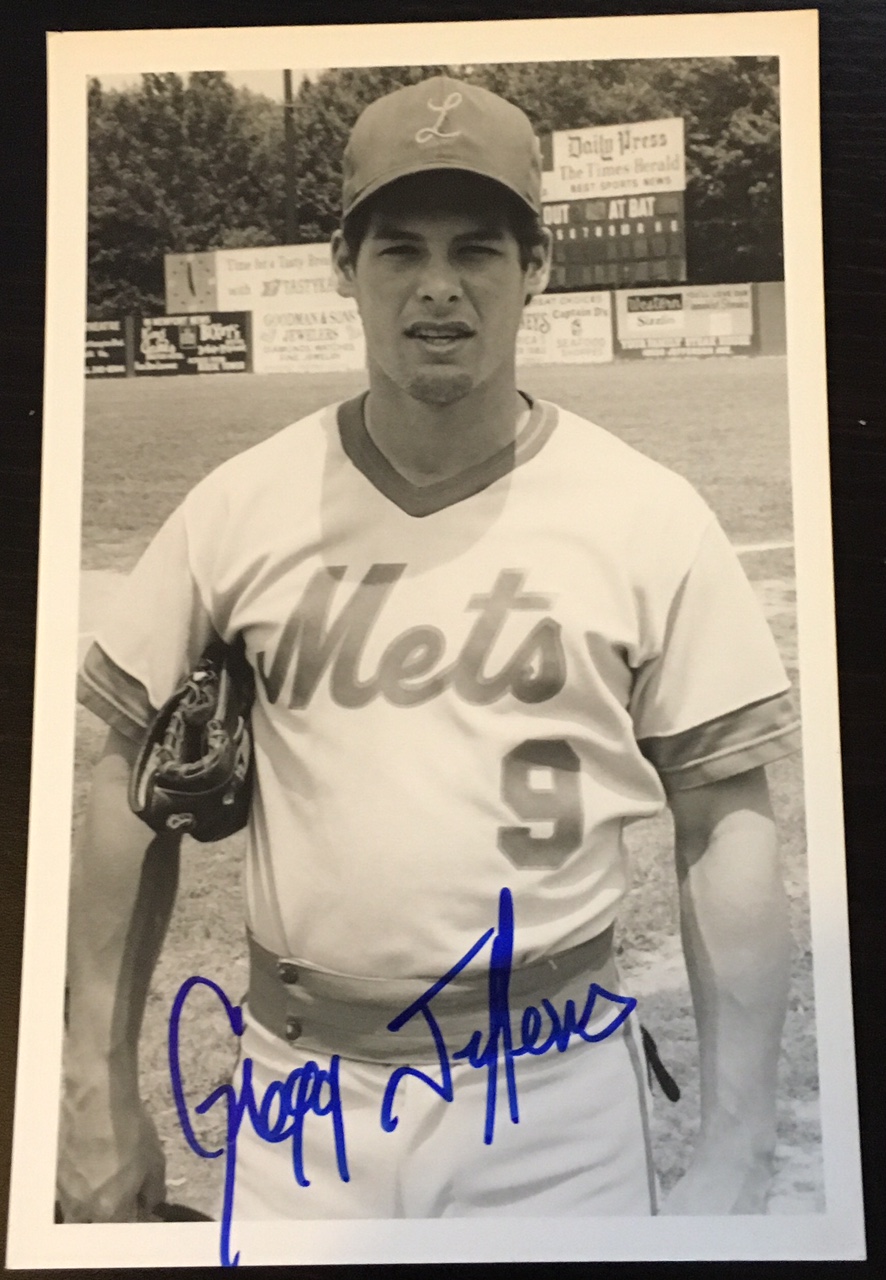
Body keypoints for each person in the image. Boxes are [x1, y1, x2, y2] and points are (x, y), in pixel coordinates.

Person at [58, 76, 798, 1228]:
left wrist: (740, 1150)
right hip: (301, 1096)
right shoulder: (238, 507)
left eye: (477, 250)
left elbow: (723, 816)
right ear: (343, 266)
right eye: (399, 248)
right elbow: (122, 783)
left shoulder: (649, 515)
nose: (438, 285)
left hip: (558, 1104)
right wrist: (92, 1081)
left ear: (535, 267)